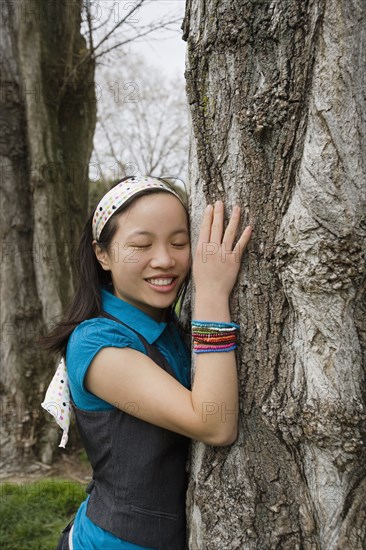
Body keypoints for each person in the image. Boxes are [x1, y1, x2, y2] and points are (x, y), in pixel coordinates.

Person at [43, 175, 252, 550]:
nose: (165, 260)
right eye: (141, 244)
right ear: (102, 254)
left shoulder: (162, 323)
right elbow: (214, 423)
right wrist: (212, 293)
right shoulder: (97, 344)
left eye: (179, 242)